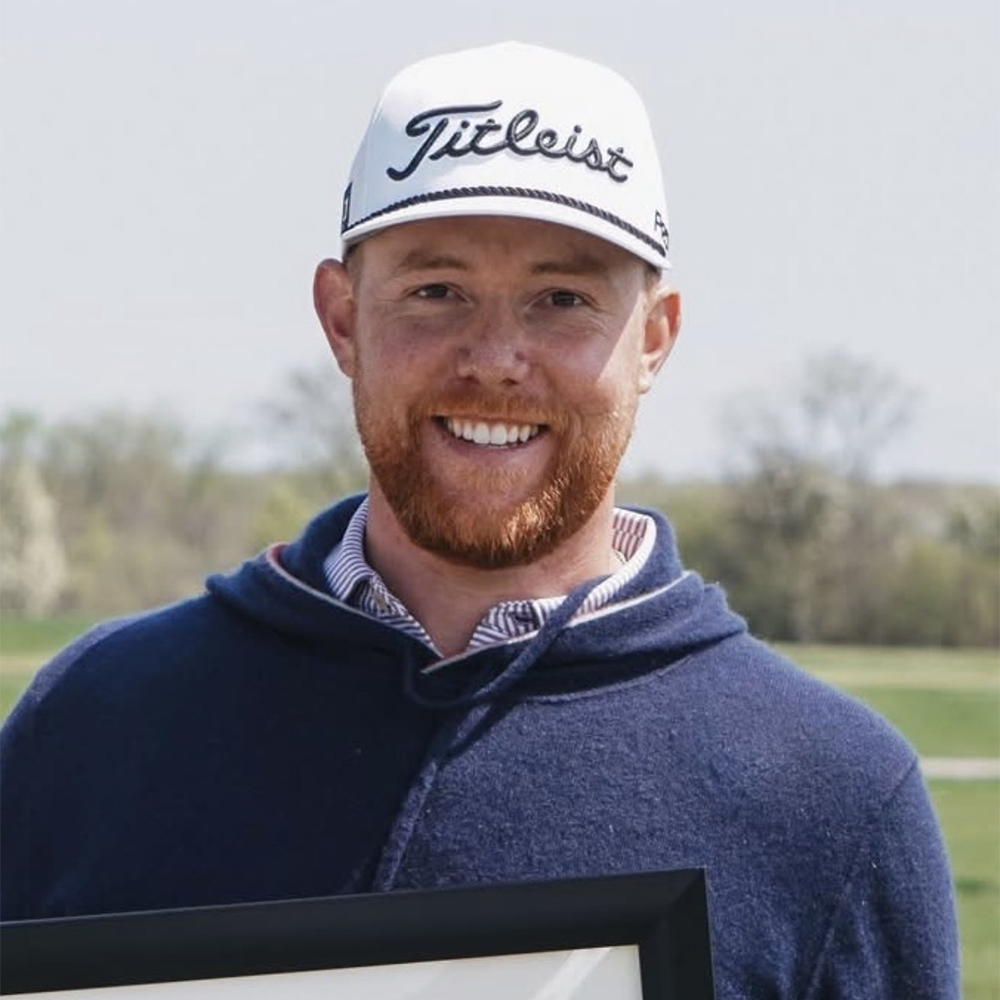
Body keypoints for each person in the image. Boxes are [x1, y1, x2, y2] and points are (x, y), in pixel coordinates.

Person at [0, 41, 958, 998]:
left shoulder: (831, 797)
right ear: (342, 319)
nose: (496, 358)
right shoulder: (93, 722)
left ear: (654, 338)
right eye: (436, 291)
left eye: (563, 299)